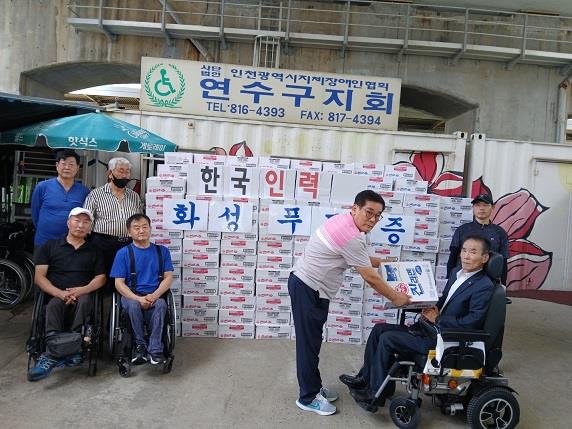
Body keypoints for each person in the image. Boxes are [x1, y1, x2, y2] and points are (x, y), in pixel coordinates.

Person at [288, 190, 411, 416]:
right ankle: (307, 397)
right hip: (308, 288)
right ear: (354, 208)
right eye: (368, 212)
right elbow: (370, 277)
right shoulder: (351, 236)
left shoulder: (345, 223)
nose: (372, 219)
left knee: (312, 344)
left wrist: (384, 261)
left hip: (310, 286)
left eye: (378, 215)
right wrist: (397, 298)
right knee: (308, 346)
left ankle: (313, 388)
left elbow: (358, 257)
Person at [340, 236, 495, 408]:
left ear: (485, 258)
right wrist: (425, 304)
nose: (466, 256)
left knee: (388, 338)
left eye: (473, 252)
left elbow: (473, 321)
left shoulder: (484, 285)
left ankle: (375, 393)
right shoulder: (456, 273)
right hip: (430, 328)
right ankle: (365, 378)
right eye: (464, 250)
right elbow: (444, 301)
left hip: (445, 340)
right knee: (379, 329)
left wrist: (438, 319)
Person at [28, 207, 106, 381]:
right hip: (56, 294)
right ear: (68, 223)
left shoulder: (94, 250)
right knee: (54, 304)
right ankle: (61, 351)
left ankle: (59, 353)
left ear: (90, 227)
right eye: (77, 221)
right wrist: (61, 294)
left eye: (86, 222)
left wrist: (81, 290)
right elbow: (39, 277)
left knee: (86, 301)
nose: (81, 225)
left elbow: (101, 278)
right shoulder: (50, 246)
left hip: (83, 295)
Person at [110, 214, 173, 365]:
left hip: (154, 295)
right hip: (132, 296)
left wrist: (154, 296)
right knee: (132, 305)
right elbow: (118, 283)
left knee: (161, 305)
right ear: (129, 232)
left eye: (145, 227)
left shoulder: (162, 251)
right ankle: (140, 346)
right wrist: (138, 299)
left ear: (150, 229)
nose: (141, 230)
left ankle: (155, 349)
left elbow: (168, 278)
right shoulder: (123, 253)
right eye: (136, 228)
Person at [84, 157, 143, 285]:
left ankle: (121, 304)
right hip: (102, 244)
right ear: (110, 173)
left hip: (128, 244)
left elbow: (139, 221)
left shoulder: (134, 196)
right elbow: (87, 222)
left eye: (127, 172)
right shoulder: (95, 195)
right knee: (102, 279)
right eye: (121, 171)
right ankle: (103, 304)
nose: (125, 175)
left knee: (125, 279)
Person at [31, 149, 90, 247]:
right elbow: (35, 213)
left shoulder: (84, 191)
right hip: (44, 242)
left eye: (71, 164)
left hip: (71, 244)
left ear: (77, 168)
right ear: (57, 166)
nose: (67, 167)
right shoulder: (42, 187)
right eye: (63, 164)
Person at [447, 194, 509, 284]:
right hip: (463, 279)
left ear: (492, 208)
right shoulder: (462, 230)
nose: (481, 208)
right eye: (478, 205)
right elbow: (452, 257)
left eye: (485, 205)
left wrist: (503, 284)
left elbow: (503, 261)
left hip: (489, 281)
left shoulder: (499, 232)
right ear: (473, 208)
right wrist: (450, 279)